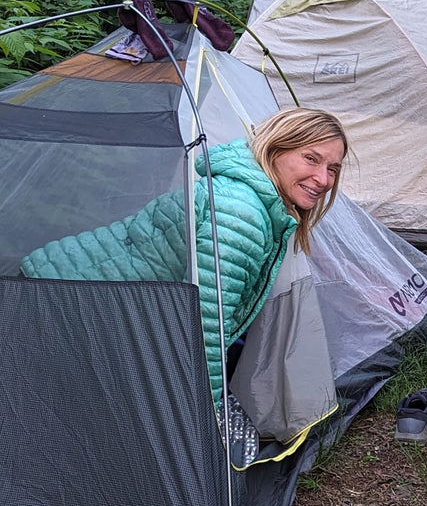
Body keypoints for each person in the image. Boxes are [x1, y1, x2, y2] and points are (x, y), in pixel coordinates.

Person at [22, 107, 348, 402]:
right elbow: (205, 330)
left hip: (72, 300)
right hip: (57, 307)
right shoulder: (241, 215)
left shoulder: (254, 201)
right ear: (275, 150)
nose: (323, 180)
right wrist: (210, 418)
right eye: (311, 158)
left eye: (332, 168)